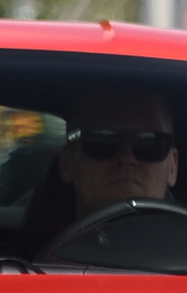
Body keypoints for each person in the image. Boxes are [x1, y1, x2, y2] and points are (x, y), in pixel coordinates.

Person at [56, 89, 179, 220]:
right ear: (66, 163)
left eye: (148, 142)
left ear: (172, 167)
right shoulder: (35, 239)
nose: (127, 158)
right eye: (103, 140)